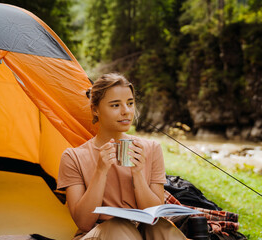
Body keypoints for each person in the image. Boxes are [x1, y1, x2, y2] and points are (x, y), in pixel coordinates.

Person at [57, 73, 187, 240]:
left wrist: (138, 174)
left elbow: (154, 215)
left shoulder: (151, 149)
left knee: (161, 228)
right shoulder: (73, 157)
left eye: (130, 103)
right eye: (115, 105)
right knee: (119, 227)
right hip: (99, 234)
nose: (126, 111)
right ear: (95, 109)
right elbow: (83, 222)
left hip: (141, 229)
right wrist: (100, 171)